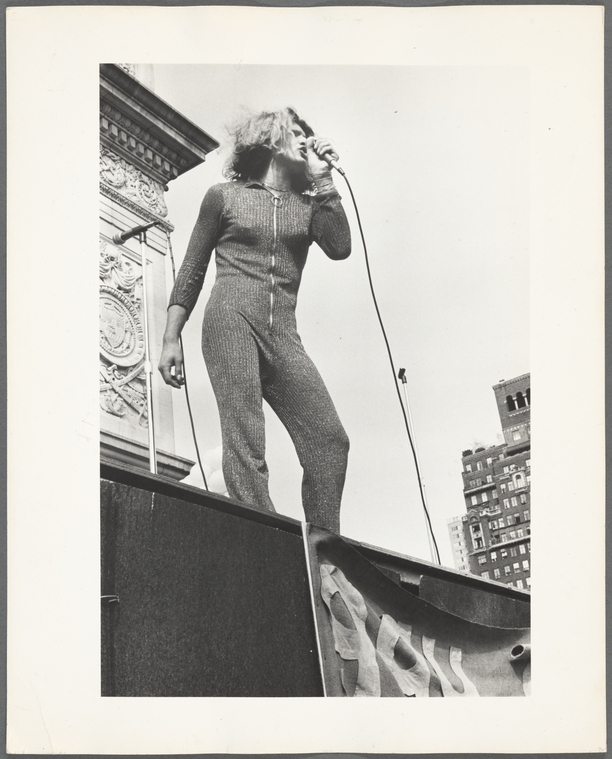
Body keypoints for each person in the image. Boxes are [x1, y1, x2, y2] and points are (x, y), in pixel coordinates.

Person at [158, 107, 351, 533]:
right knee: (246, 440)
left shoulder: (311, 204)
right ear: (269, 139)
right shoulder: (224, 196)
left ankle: (322, 554)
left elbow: (340, 247)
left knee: (329, 441)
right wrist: (171, 337)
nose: (305, 139)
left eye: (309, 133)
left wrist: (324, 181)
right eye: (296, 132)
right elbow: (191, 269)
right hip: (230, 320)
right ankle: (265, 539)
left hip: (283, 334)